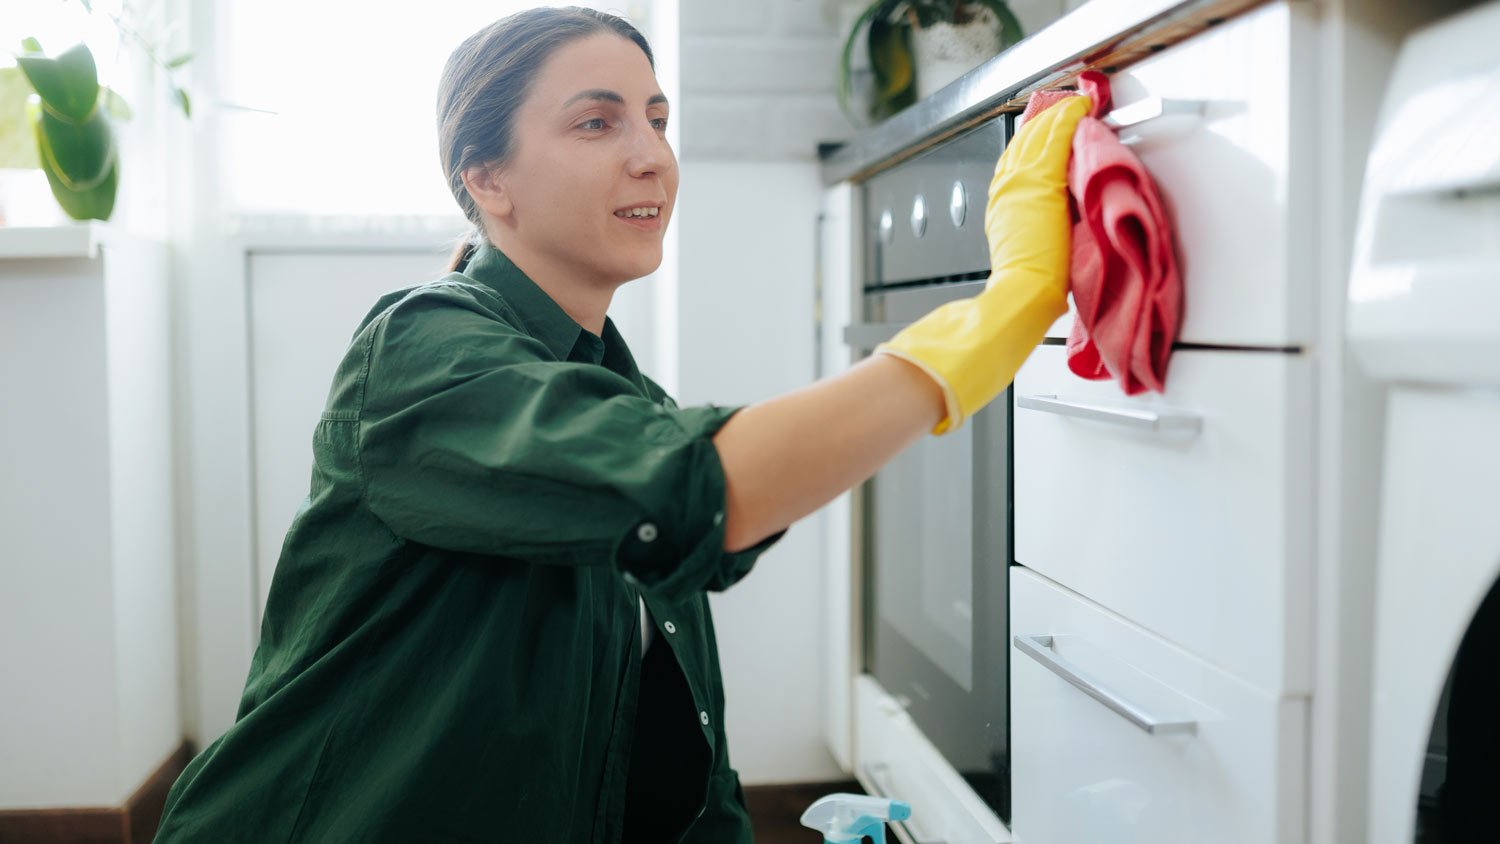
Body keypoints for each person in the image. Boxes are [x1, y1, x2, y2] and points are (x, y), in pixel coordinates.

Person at [152, 6, 1088, 843]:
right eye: (597, 122)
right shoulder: (420, 351)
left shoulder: (615, 390)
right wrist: (1009, 303)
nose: (652, 155)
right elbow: (704, 490)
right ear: (486, 178)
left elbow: (685, 760)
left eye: (657, 119)